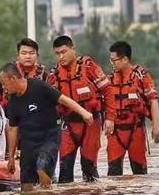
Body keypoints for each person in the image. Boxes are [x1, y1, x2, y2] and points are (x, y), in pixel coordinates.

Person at [0, 63, 93, 192]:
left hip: (49, 136)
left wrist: (84, 113)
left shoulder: (39, 86)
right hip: (28, 142)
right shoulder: (13, 102)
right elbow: (13, 129)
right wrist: (11, 157)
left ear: (13, 79)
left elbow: (63, 99)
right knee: (26, 184)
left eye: (4, 83)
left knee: (42, 166)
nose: (3, 88)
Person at [47, 35, 116, 183]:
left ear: (73, 49)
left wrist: (110, 118)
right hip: (68, 124)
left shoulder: (88, 66)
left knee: (89, 169)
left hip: (91, 123)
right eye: (57, 53)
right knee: (64, 171)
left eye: (64, 52)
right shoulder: (54, 75)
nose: (61, 56)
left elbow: (108, 91)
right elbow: (48, 104)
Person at [107, 41, 159, 175]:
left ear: (125, 59)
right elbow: (105, 103)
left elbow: (153, 100)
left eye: (114, 60)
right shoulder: (110, 78)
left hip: (135, 131)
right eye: (111, 60)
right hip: (115, 133)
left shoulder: (141, 75)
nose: (112, 64)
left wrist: (156, 127)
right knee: (113, 175)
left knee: (140, 174)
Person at [0, 37, 47, 107]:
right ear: (18, 56)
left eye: (31, 53)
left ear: (37, 56)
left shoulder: (44, 74)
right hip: (9, 113)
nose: (28, 56)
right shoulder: (7, 72)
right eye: (24, 53)